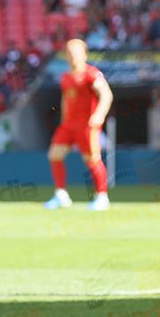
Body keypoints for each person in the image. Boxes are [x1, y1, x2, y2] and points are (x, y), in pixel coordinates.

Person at [43, 39, 114, 211]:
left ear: (84, 54)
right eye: (70, 53)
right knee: (54, 155)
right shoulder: (66, 77)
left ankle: (102, 197)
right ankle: (61, 196)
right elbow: (66, 100)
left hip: (86, 125)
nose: (73, 56)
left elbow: (106, 94)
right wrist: (63, 120)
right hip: (68, 125)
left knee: (92, 160)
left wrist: (99, 115)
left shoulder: (91, 74)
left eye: (76, 53)